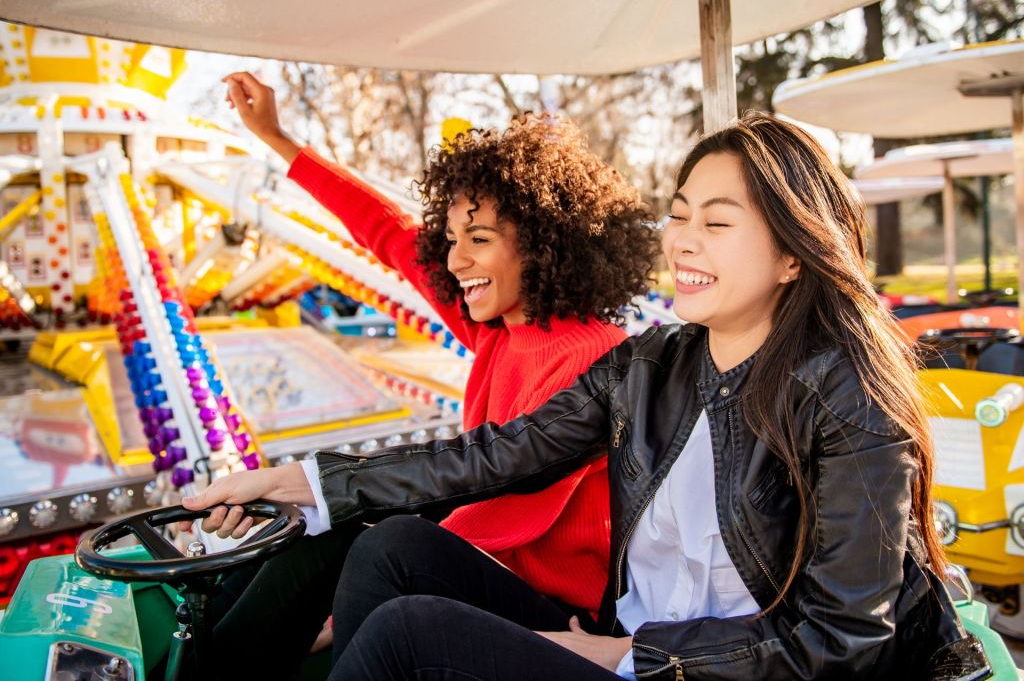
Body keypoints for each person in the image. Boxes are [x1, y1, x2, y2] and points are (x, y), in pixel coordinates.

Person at [185, 112, 988, 680]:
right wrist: (305, 486)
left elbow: (841, 642)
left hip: (700, 670)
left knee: (406, 632)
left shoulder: (848, 399)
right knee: (390, 547)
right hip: (628, 638)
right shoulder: (653, 363)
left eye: (716, 223)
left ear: (793, 257)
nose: (681, 242)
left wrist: (627, 655)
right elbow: (498, 455)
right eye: (677, 217)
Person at [193, 72, 660, 676]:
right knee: (346, 527)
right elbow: (387, 233)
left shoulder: (594, 355)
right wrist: (279, 140)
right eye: (451, 238)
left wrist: (346, 515)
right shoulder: (498, 331)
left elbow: (503, 497)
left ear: (543, 244)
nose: (456, 259)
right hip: (497, 573)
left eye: (479, 238)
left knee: (376, 535)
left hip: (564, 616)